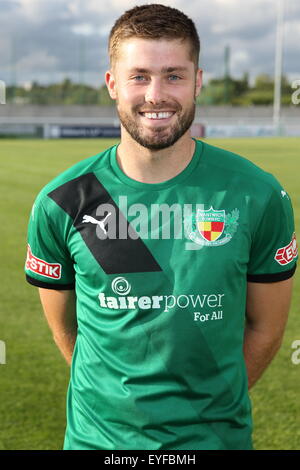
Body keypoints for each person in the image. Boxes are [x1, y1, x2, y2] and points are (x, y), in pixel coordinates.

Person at [25, 4, 298, 450]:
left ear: (198, 82)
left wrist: (206, 409)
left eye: (174, 75)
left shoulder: (257, 195)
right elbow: (66, 331)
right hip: (99, 444)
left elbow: (266, 329)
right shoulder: (64, 201)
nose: (156, 94)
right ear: (112, 84)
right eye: (139, 76)